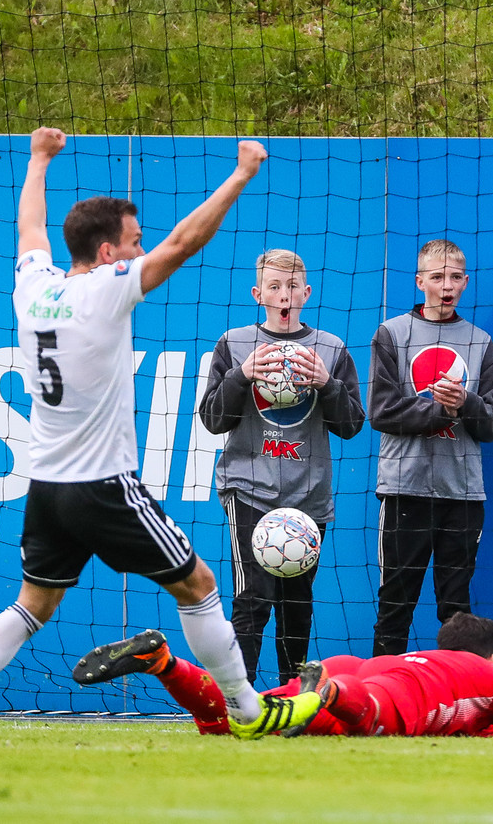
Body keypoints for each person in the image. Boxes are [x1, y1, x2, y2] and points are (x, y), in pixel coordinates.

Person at [0, 128, 321, 743]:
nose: (141, 249)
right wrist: (242, 174)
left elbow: (30, 229)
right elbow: (183, 243)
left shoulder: (34, 287)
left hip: (47, 486)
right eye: (134, 241)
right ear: (108, 250)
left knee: (32, 605)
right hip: (103, 485)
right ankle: (247, 710)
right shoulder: (106, 290)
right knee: (199, 586)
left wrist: (37, 160)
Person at [198, 249, 364, 684]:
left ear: (306, 293)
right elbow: (213, 419)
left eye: (292, 287)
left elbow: (351, 425)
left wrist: (327, 384)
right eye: (274, 287)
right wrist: (242, 375)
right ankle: (240, 697)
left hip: (308, 495)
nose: (284, 295)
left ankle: (292, 694)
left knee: (297, 602)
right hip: (248, 489)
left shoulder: (330, 348)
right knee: (253, 597)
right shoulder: (234, 344)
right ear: (258, 295)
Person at [72, 612, 493, 738]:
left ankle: (166, 664)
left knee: (231, 719)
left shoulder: (421, 658)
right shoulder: (490, 678)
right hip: (374, 695)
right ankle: (326, 694)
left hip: (366, 669)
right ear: (491, 659)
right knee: (371, 713)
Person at [368, 239, 493, 657]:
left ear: (466, 282)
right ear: (420, 282)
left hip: (461, 494)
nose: (446, 285)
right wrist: (442, 411)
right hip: (404, 490)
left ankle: (459, 690)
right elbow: (381, 411)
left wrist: (465, 402)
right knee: (395, 606)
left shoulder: (481, 343)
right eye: (437, 277)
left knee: (456, 610)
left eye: (455, 277)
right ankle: (385, 689)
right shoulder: (392, 334)